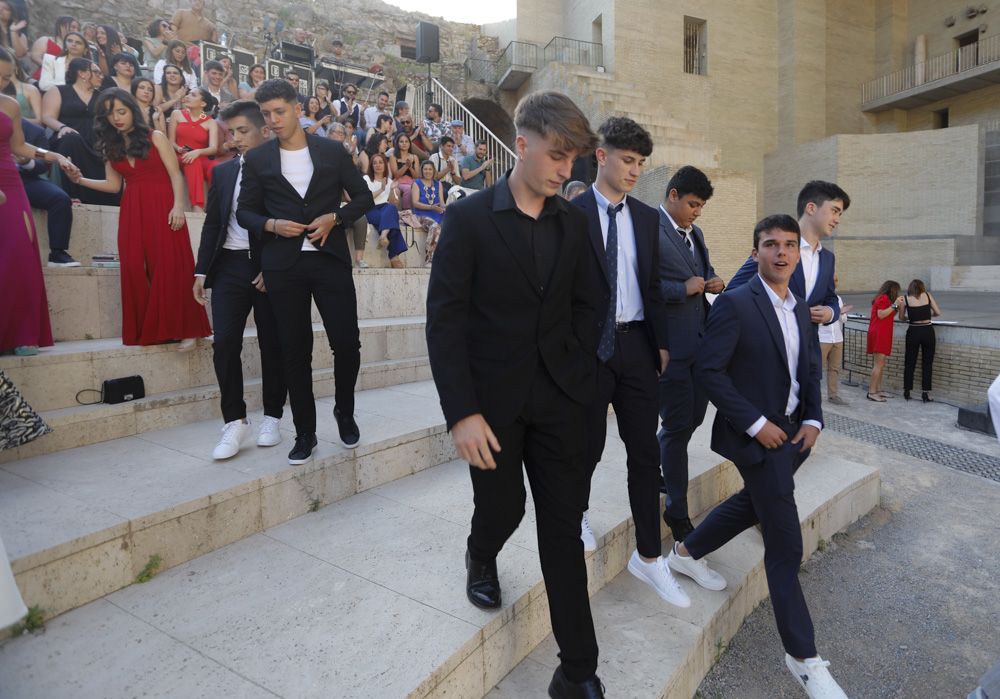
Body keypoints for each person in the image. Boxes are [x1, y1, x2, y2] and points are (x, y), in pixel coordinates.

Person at [425, 89, 606, 699]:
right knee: (504, 510)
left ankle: (579, 671)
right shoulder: (470, 218)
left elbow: (591, 302)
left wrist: (579, 372)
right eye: (558, 155)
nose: (565, 169)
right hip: (493, 410)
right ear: (522, 145)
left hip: (561, 402)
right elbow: (445, 320)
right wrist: (463, 412)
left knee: (561, 530)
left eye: (573, 159)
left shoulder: (575, 222)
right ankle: (481, 554)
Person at [672, 214, 849, 699]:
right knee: (786, 543)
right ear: (756, 253)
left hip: (795, 435)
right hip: (757, 437)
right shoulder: (734, 304)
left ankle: (685, 553)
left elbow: (807, 367)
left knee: (754, 503)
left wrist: (814, 418)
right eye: (771, 245)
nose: (782, 253)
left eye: (789, 245)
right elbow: (710, 371)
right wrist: (755, 423)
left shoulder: (798, 305)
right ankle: (804, 658)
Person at [571, 117, 684, 606]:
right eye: (628, 160)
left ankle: (649, 557)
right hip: (590, 351)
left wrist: (659, 343)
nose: (635, 170)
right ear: (602, 156)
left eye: (641, 162)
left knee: (645, 453)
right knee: (587, 446)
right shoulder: (569, 213)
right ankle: (576, 513)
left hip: (638, 347)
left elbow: (652, 283)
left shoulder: (645, 216)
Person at [236, 78, 374, 464]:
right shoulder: (259, 159)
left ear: (298, 108)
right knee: (294, 351)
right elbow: (244, 212)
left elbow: (363, 197)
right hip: (283, 266)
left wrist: (336, 217)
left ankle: (344, 413)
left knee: (347, 343)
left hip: (329, 260)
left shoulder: (331, 152)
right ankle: (305, 433)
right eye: (266, 114)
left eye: (279, 111)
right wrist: (271, 226)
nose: (273, 120)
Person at [68, 88, 212, 349]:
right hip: (132, 209)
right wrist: (80, 180)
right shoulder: (110, 147)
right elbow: (113, 186)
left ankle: (188, 328)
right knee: (135, 266)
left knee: (170, 264)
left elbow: (175, 174)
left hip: (164, 205)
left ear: (132, 111)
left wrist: (179, 206)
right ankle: (152, 329)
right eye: (110, 114)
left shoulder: (155, 136)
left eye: (121, 111)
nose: (117, 118)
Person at [193, 99, 287, 459]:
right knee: (225, 343)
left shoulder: (281, 170)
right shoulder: (223, 172)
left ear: (264, 131)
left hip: (268, 266)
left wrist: (273, 265)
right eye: (231, 133)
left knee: (272, 344)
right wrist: (202, 270)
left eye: (242, 131)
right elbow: (214, 223)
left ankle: (273, 416)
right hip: (230, 266)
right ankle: (234, 420)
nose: (235, 139)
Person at [656, 165, 725, 544]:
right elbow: (644, 286)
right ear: (673, 195)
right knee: (679, 427)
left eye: (701, 206)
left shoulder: (694, 233)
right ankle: (676, 511)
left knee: (690, 421)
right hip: (670, 349)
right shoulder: (650, 228)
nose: (697, 212)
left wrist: (715, 281)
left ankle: (657, 456)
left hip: (700, 345)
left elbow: (706, 273)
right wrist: (681, 289)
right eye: (693, 204)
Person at [0, 94, 77, 356]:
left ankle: (22, 332)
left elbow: (19, 145)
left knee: (20, 252)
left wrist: (52, 154)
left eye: (5, 76)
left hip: (10, 181)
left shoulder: (9, 104)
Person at [728, 180, 851, 340]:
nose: (837, 220)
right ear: (811, 208)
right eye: (834, 211)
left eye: (840, 214)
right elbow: (733, 294)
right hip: (767, 347)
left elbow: (830, 297)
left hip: (808, 351)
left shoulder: (828, 258)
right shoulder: (774, 248)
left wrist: (831, 312)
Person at [41, 57, 120, 206]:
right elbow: (47, 116)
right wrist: (63, 127)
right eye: (96, 72)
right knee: (71, 139)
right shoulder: (59, 90)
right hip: (67, 140)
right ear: (82, 73)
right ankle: (71, 195)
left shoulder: (102, 96)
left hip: (95, 142)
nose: (101, 76)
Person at [17, 117, 77, 267]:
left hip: (26, 179)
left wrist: (26, 162)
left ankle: (57, 253)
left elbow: (42, 161)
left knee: (60, 198)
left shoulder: (34, 130)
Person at [169, 86, 219, 212]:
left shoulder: (210, 122)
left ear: (203, 103)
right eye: (189, 94)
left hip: (201, 156)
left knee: (216, 167)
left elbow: (213, 148)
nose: (188, 96)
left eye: (193, 95)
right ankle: (197, 206)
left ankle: (217, 205)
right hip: (180, 156)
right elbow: (171, 141)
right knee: (192, 161)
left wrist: (198, 152)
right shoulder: (177, 114)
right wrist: (179, 149)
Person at [899, 278, 941, 402]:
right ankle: (925, 393)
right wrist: (928, 315)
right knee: (927, 362)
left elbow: (901, 317)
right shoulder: (927, 295)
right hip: (928, 330)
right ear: (922, 287)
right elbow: (938, 312)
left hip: (913, 330)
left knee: (910, 361)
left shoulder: (905, 299)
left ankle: (907, 391)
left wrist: (911, 316)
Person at [363, 152, 407, 268]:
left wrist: (392, 190)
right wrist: (382, 189)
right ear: (371, 166)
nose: (378, 165)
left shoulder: (389, 181)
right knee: (392, 223)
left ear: (385, 165)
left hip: (385, 209)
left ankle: (383, 236)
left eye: (381, 162)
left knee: (391, 208)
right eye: (375, 163)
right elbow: (366, 199)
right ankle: (394, 257)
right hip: (370, 209)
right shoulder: (366, 179)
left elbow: (393, 203)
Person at [865, 279, 902, 402]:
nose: (898, 293)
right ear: (892, 290)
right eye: (897, 291)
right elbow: (881, 314)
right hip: (879, 333)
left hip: (884, 334)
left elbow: (890, 314)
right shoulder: (883, 298)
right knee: (878, 364)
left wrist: (899, 305)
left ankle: (878, 390)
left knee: (881, 364)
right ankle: (872, 392)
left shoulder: (887, 301)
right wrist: (895, 304)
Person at [818, 275, 852, 406]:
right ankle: (812, 395)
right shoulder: (819, 299)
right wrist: (836, 312)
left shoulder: (838, 299)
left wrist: (842, 313)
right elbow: (818, 320)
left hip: (837, 338)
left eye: (836, 280)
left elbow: (843, 320)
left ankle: (833, 395)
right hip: (823, 338)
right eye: (832, 281)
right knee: (817, 369)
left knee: (834, 369)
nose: (835, 283)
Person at [413, 159, 446, 267]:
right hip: (421, 214)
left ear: (433, 171)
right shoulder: (416, 183)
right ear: (422, 171)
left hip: (437, 213)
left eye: (430, 169)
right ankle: (430, 259)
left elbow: (441, 202)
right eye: (425, 169)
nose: (428, 171)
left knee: (455, 224)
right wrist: (431, 207)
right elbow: (415, 203)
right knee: (435, 226)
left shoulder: (438, 184)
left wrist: (445, 208)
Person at [28, 14, 78, 81]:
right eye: (73, 27)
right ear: (62, 26)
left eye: (77, 28)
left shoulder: (73, 46)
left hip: (64, 81)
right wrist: (52, 68)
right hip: (44, 77)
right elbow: (35, 57)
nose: (76, 30)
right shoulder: (45, 40)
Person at [0, 47, 39, 124]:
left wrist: (14, 118)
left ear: (16, 67)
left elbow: (39, 120)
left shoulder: (30, 89)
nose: (0, 83)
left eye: (6, 78)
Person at [389, 131, 418, 209]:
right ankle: (406, 211)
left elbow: (417, 176)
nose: (404, 143)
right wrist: (405, 166)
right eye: (401, 142)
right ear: (397, 144)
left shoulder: (414, 157)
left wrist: (410, 167)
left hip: (412, 181)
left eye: (406, 141)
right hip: (399, 182)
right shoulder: (393, 157)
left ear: (409, 143)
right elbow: (396, 175)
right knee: (408, 188)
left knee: (413, 187)